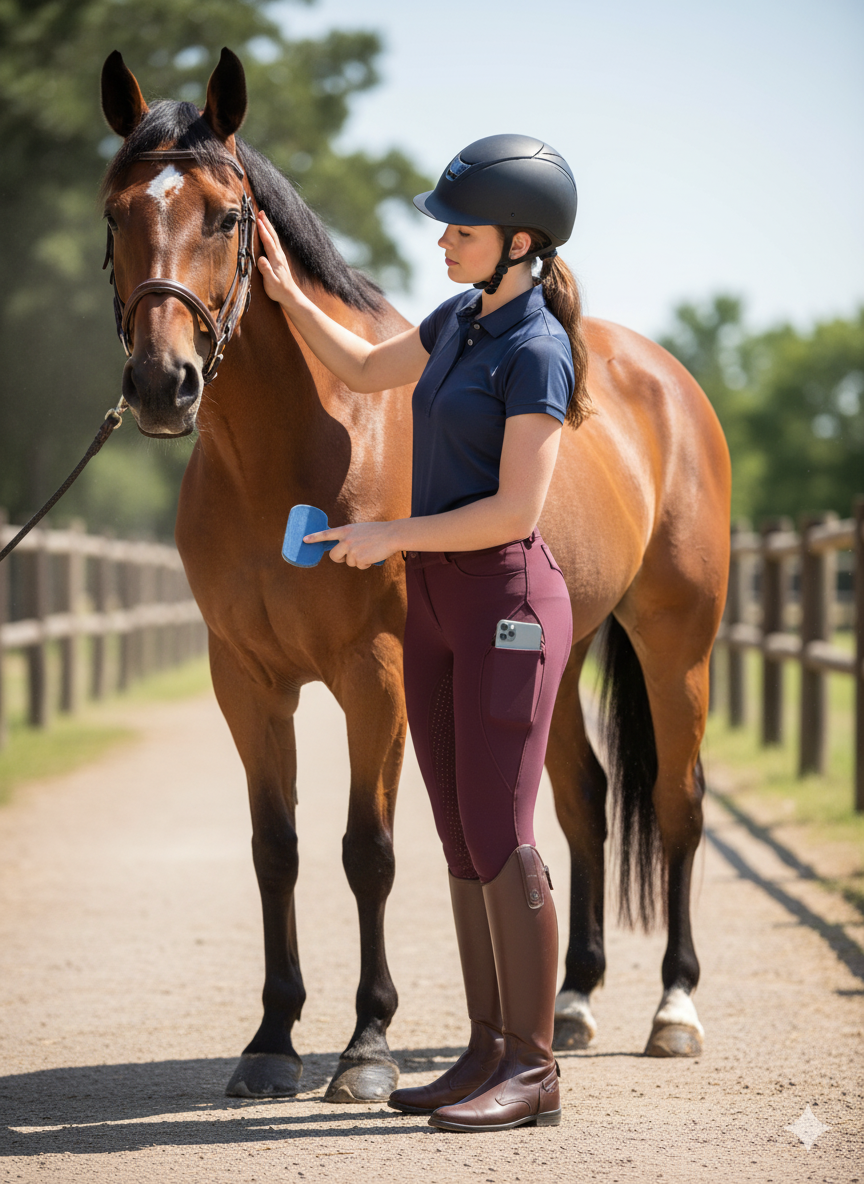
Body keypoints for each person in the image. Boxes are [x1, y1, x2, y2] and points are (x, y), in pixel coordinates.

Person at [256, 134, 591, 1132]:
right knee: (454, 828)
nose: (442, 239)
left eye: (462, 227)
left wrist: (384, 534)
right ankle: (486, 1046)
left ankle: (534, 1068)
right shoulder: (456, 321)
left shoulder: (537, 349)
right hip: (439, 603)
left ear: (519, 241)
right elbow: (362, 361)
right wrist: (281, 290)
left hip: (505, 603)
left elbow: (514, 513)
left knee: (502, 830)